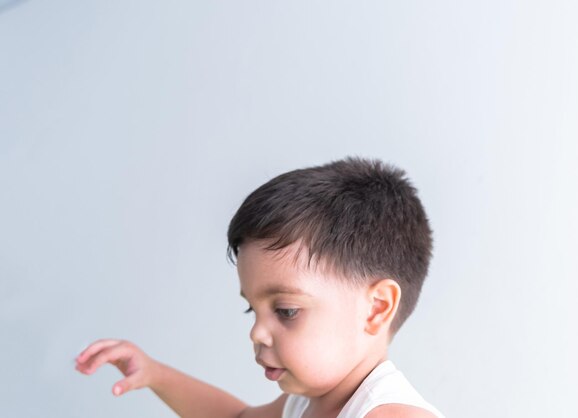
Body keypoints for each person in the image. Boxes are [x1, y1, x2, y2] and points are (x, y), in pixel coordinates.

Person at [75, 157, 445, 418]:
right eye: (253, 309)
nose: (257, 332)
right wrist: (155, 374)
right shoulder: (306, 404)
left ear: (376, 308)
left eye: (286, 311)